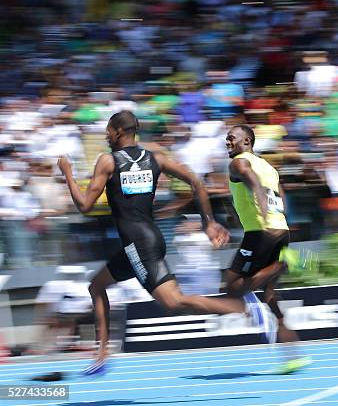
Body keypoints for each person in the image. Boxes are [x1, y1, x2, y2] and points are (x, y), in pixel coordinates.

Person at [57, 111, 250, 375]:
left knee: (173, 303)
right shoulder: (155, 158)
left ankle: (239, 307)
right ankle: (102, 352)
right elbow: (195, 181)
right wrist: (208, 222)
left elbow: (84, 205)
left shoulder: (108, 162)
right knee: (97, 286)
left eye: (108, 131)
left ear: (119, 132)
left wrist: (67, 173)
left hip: (138, 244)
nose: (105, 136)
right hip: (144, 242)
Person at [224, 124, 310, 373]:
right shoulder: (269, 167)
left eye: (231, 138)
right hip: (280, 231)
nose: (227, 142)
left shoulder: (238, 162)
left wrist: (259, 202)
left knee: (231, 286)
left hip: (259, 233)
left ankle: (284, 263)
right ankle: (292, 356)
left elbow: (251, 180)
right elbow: (280, 197)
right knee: (271, 297)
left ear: (246, 141)